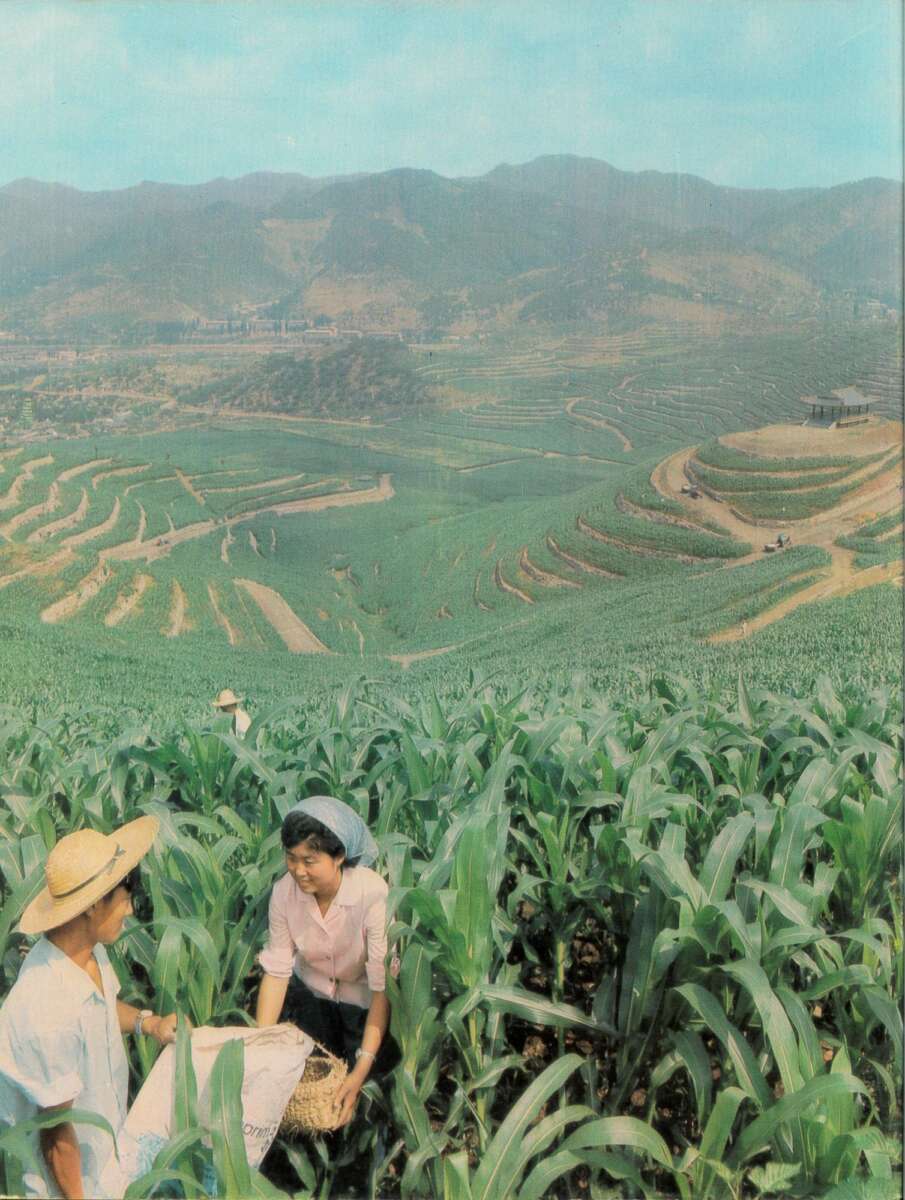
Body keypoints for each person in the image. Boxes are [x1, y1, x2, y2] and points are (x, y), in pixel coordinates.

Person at [0, 818, 179, 1200]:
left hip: (107, 1164)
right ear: (93, 904)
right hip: (69, 1187)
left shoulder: (90, 953)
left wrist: (150, 1023)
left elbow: (101, 1010)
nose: (130, 910)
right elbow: (58, 1135)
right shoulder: (45, 1008)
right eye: (124, 899)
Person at [255, 796, 395, 1128]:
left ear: (339, 856)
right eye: (291, 858)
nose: (298, 871)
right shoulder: (283, 894)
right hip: (311, 1002)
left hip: (363, 1009)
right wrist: (259, 1043)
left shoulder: (372, 895)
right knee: (308, 1103)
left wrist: (361, 1070)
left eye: (309, 860)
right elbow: (276, 972)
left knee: (365, 1107)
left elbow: (381, 989)